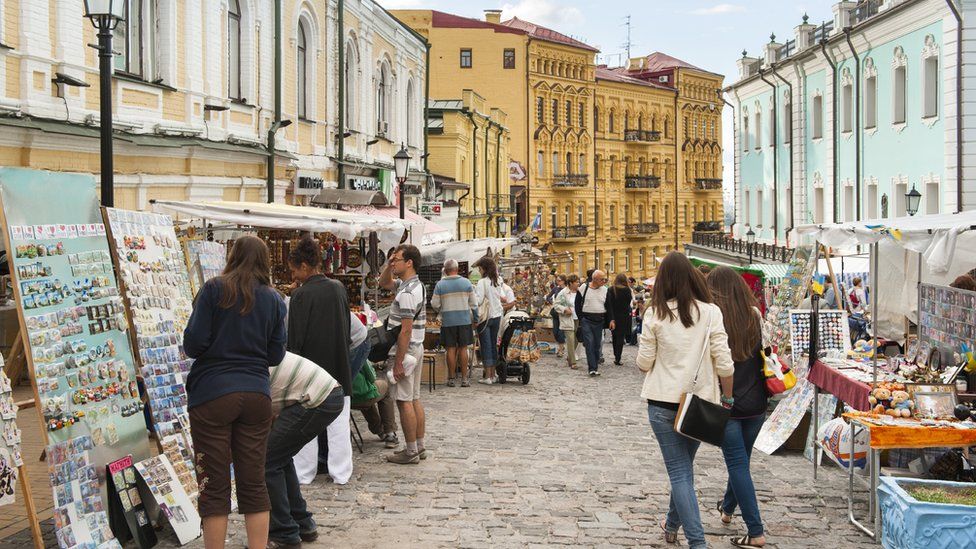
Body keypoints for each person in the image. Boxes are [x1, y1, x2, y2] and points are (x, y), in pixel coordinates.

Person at [183, 235, 287, 549]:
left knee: (213, 485)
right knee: (254, 481)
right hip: (256, 395)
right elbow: (276, 355)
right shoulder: (274, 299)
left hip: (213, 393)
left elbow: (193, 344)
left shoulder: (215, 289)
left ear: (233, 256)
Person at [636, 251, 735, 549]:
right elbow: (725, 364)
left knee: (680, 473)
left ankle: (697, 542)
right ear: (692, 277)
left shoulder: (654, 314)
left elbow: (643, 363)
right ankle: (672, 524)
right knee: (683, 470)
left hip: (662, 402)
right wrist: (728, 397)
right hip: (698, 404)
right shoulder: (710, 312)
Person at [706, 267, 768, 549]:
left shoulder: (712, 318)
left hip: (726, 401)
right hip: (756, 401)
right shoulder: (754, 316)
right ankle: (728, 508)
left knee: (738, 464)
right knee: (741, 460)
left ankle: (756, 531)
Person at [286, 236, 353, 484]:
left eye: (294, 270)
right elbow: (346, 329)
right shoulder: (338, 288)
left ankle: (304, 474)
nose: (294, 276)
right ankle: (341, 472)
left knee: (306, 426)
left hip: (310, 370)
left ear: (304, 266)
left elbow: (295, 341)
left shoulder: (301, 297)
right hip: (338, 364)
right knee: (338, 425)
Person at [265, 353, 345, 549]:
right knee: (279, 457)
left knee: (267, 462)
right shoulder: (251, 354)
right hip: (326, 393)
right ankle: (302, 523)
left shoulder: (246, 365)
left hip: (319, 397)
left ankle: (285, 533)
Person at [379, 244, 428, 464]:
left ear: (409, 262)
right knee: (414, 398)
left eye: (397, 259)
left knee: (403, 400)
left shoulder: (407, 293)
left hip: (406, 350)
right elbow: (384, 283)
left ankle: (410, 452)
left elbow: (405, 330)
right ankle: (419, 446)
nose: (394, 262)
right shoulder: (413, 286)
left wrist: (398, 362)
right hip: (416, 347)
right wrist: (388, 264)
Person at [431, 259, 478, 387]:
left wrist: (442, 309)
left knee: (450, 349)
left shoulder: (440, 284)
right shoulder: (466, 283)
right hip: (464, 320)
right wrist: (476, 319)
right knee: (463, 348)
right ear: (457, 269)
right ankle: (464, 379)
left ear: (445, 270)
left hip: (448, 321)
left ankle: (451, 378)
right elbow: (474, 304)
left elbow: (434, 304)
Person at [473, 257, 505, 385]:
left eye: (480, 269)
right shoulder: (498, 280)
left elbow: (479, 300)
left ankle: (488, 376)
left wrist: (473, 294)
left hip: (486, 317)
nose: (479, 271)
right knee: (493, 344)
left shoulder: (482, 282)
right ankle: (493, 374)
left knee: (485, 346)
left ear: (484, 269)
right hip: (497, 315)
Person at [575, 269, 610, 377]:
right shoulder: (583, 288)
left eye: (605, 279)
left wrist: (611, 320)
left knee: (596, 345)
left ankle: (595, 366)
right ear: (594, 279)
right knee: (589, 343)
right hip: (587, 319)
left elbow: (609, 306)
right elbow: (577, 305)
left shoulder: (605, 290)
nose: (604, 281)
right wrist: (581, 319)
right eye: (602, 279)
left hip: (599, 320)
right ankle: (592, 368)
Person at [352, 361, 398, 441]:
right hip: (361, 395)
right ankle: (390, 432)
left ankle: (379, 431)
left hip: (345, 399)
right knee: (384, 388)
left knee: (369, 395)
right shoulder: (355, 350)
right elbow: (371, 377)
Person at [553, 274, 581, 369]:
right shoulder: (563, 293)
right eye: (576, 282)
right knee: (570, 340)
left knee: (577, 340)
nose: (578, 283)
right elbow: (556, 305)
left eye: (578, 282)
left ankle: (570, 356)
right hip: (568, 319)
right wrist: (565, 309)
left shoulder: (580, 292)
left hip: (578, 319)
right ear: (570, 283)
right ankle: (573, 362)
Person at [607, 273, 633, 365]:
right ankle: (618, 357)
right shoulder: (627, 290)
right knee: (621, 337)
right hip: (624, 316)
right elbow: (629, 303)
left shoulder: (611, 289)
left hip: (613, 316)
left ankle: (615, 354)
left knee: (614, 336)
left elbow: (609, 304)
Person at [548, 275, 567, 356]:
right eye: (557, 281)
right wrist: (551, 301)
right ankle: (561, 347)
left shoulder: (567, 289)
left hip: (563, 313)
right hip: (555, 312)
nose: (557, 282)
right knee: (555, 332)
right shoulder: (556, 288)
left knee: (560, 332)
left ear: (563, 281)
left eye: (559, 280)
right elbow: (548, 297)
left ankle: (561, 349)